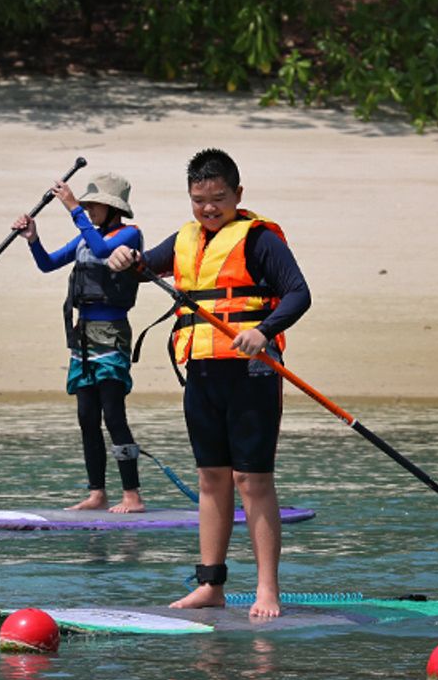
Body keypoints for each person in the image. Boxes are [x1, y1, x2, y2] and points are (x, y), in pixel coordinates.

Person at [108, 148, 310, 619]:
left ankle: (266, 591)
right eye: (199, 200)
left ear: (238, 194)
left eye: (218, 198)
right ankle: (210, 585)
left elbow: (299, 293)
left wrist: (262, 331)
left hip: (252, 372)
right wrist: (123, 257)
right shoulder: (185, 239)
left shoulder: (260, 241)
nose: (209, 209)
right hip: (201, 372)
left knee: (251, 480)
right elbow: (142, 267)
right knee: (211, 478)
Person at [17, 172, 147, 513]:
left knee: (113, 415)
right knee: (87, 417)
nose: (88, 210)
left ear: (111, 208)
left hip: (112, 334)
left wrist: (72, 207)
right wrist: (33, 238)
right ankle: (97, 493)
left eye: (93, 205)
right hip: (83, 338)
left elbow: (106, 251)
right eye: (86, 205)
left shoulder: (130, 234)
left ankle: (132, 495)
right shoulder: (85, 239)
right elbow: (47, 265)